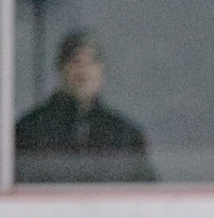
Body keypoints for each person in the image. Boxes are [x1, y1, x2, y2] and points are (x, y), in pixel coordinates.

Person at [14, 30, 156, 183]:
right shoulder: (30, 129)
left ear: (102, 71)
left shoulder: (126, 134)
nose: (83, 70)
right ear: (61, 69)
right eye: (75, 61)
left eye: (91, 62)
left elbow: (145, 189)